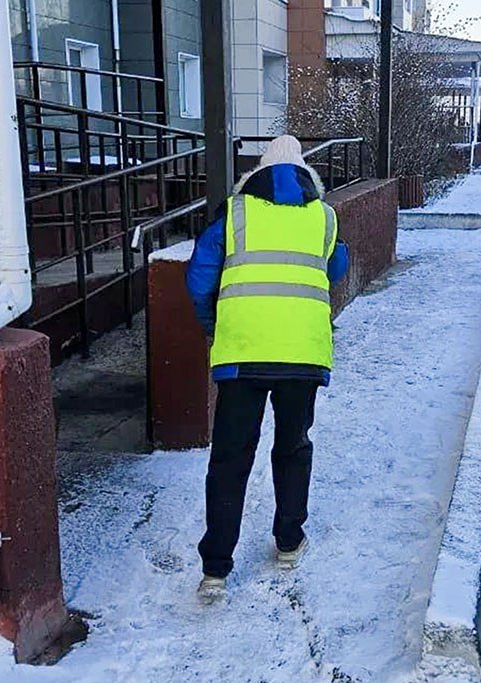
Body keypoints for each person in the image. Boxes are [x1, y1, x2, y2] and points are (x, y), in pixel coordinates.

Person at [186, 135, 349, 602]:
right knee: (293, 446)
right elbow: (337, 268)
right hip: (303, 355)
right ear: (304, 174)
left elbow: (199, 275)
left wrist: (212, 323)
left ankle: (216, 568)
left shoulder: (235, 213)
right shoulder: (324, 218)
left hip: (242, 355)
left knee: (231, 458)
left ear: (256, 173)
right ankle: (289, 541)